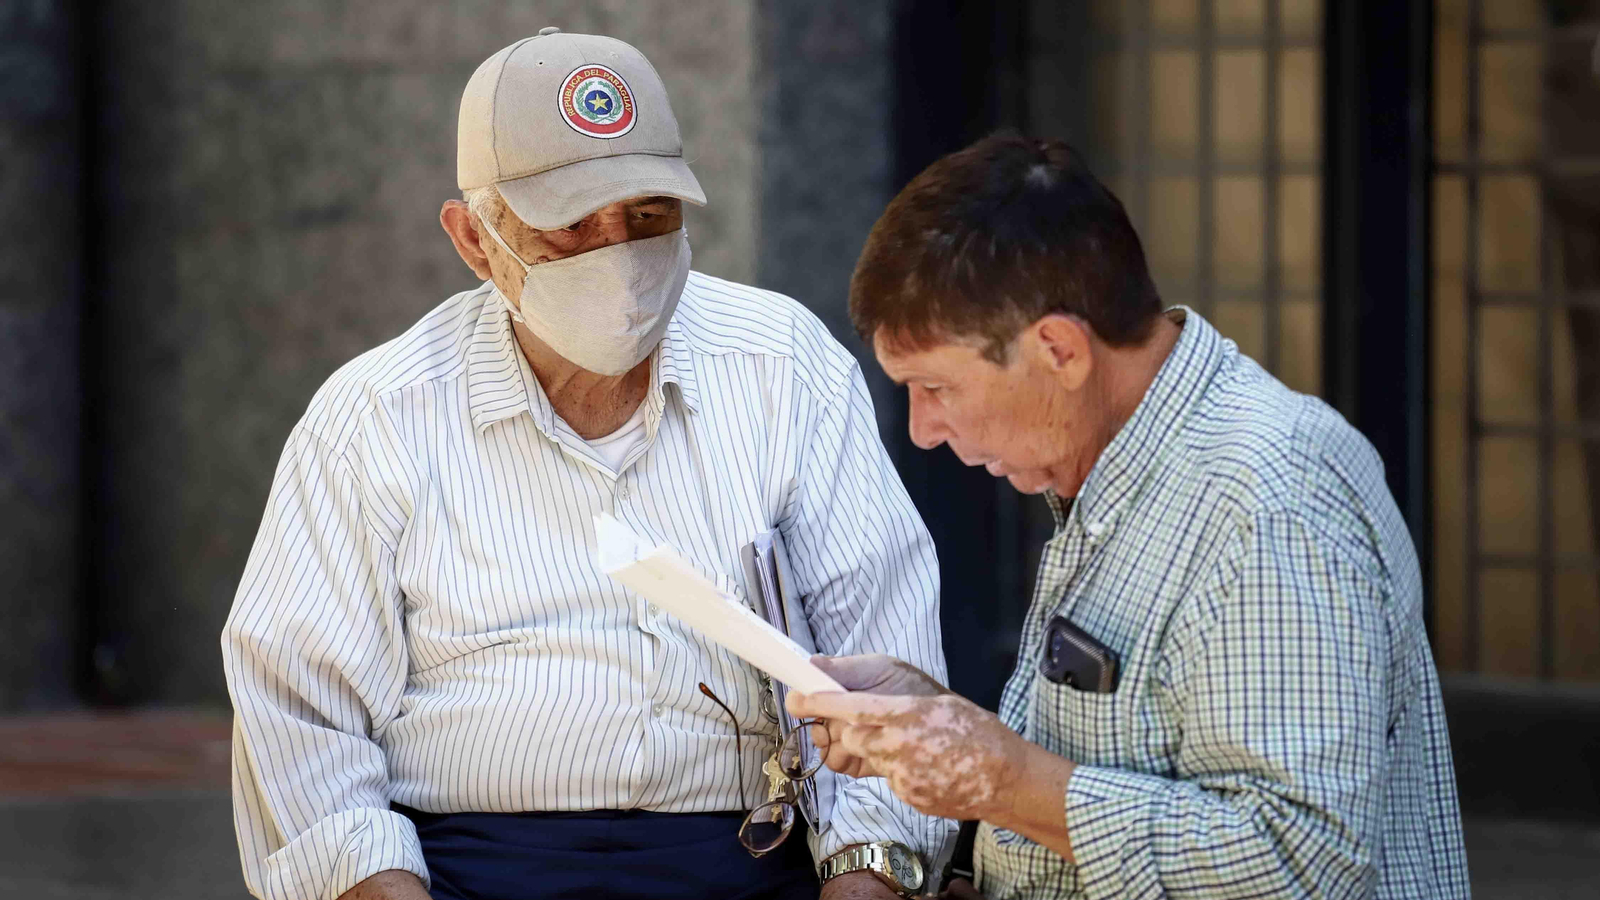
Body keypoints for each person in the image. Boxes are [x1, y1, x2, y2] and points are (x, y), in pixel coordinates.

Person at [223, 29, 952, 900]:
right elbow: (302, 727)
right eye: (571, 228)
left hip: (745, 860)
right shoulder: (377, 415)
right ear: (474, 239)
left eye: (648, 216)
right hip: (463, 868)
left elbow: (886, 665)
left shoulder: (785, 368)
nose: (619, 256)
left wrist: (867, 878)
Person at [788, 134, 1472, 900]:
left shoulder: (1268, 498)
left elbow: (1296, 861)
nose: (922, 430)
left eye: (936, 387)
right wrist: (939, 728)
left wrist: (1003, 781)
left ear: (1060, 350)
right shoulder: (1124, 465)